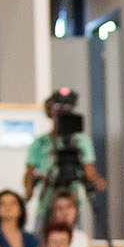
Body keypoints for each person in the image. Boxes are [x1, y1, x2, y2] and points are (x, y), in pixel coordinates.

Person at [23, 94, 107, 229]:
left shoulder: (81, 141)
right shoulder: (40, 143)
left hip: (71, 198)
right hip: (47, 198)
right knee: (42, 231)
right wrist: (28, 192)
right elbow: (29, 173)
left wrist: (97, 182)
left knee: (71, 227)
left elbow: (89, 170)